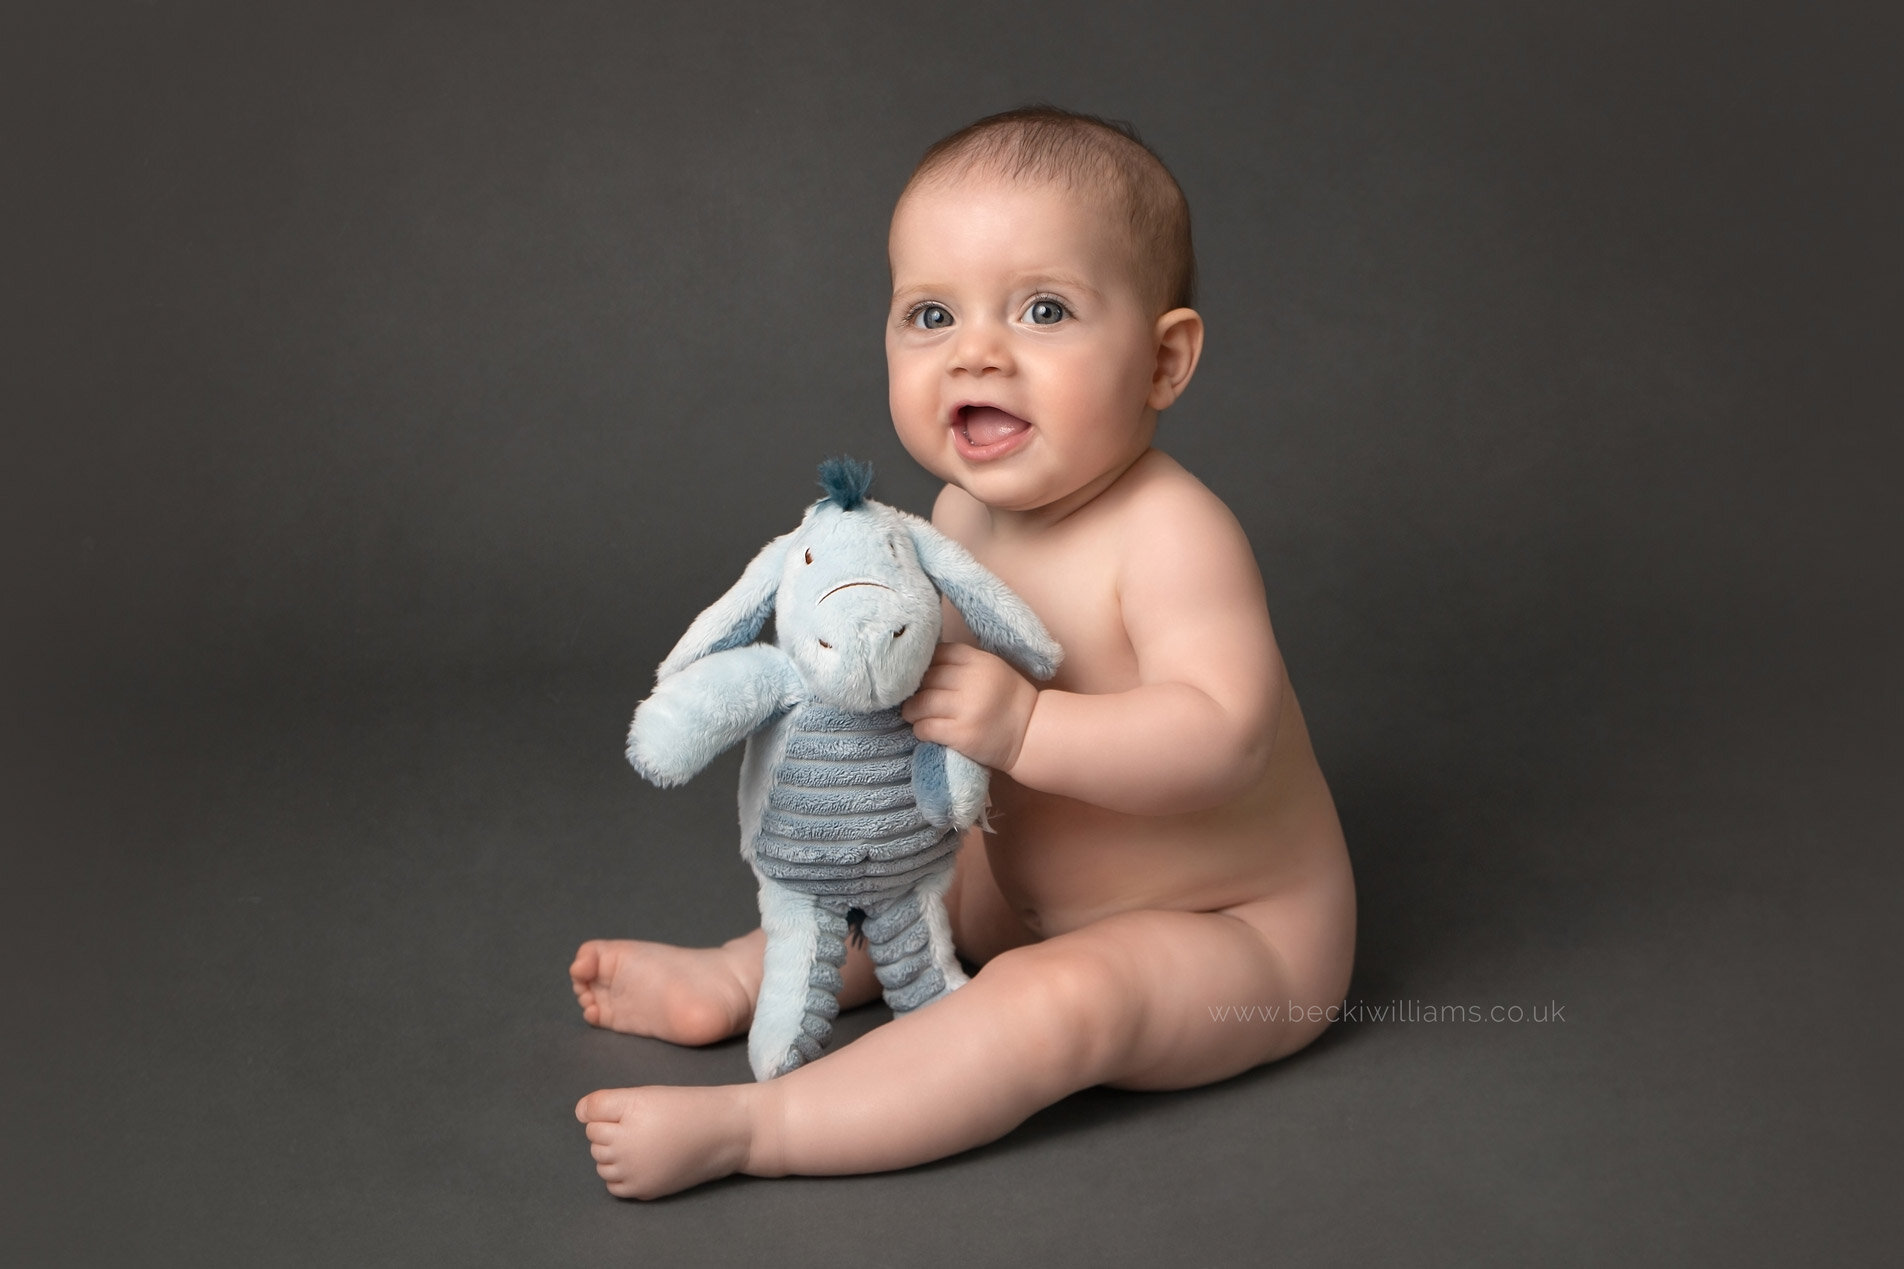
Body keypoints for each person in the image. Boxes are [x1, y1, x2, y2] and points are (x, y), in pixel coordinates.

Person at [572, 106, 1356, 1199]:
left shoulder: (1173, 534)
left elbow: (1223, 740)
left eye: (1043, 310)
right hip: (1015, 888)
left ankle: (766, 1126)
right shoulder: (948, 517)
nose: (975, 352)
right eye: (929, 315)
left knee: (1054, 1006)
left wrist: (1026, 726)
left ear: (1162, 360)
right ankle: (742, 977)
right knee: (890, 880)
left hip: (1231, 939)